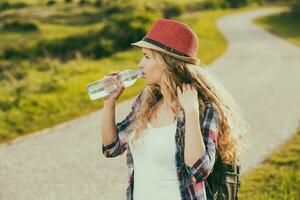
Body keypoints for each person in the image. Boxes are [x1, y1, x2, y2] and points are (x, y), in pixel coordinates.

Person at [101, 19, 249, 200]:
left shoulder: (203, 109)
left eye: (147, 57)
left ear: (168, 62)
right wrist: (109, 103)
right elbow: (111, 148)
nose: (140, 64)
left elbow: (199, 171)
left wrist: (192, 113)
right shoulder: (146, 102)